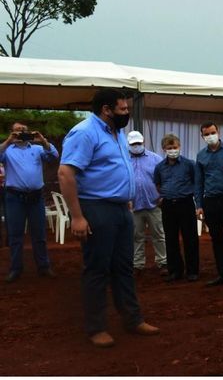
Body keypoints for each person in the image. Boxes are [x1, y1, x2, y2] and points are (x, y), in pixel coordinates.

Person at [58, 88, 158, 348]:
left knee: (123, 267)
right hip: (96, 208)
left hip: (120, 209)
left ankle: (133, 319)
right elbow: (66, 174)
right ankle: (96, 328)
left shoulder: (116, 133)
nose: (126, 113)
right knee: (97, 269)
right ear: (106, 109)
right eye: (123, 109)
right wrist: (77, 217)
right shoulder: (85, 132)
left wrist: (125, 195)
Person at [0, 122, 58, 283]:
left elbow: (54, 156)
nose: (20, 134)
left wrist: (43, 141)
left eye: (23, 131)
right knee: (15, 235)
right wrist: (8, 141)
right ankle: (15, 269)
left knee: (39, 234)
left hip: (35, 197)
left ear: (29, 133)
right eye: (17, 131)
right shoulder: (7, 152)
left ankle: (43, 266)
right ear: (12, 133)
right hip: (14, 198)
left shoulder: (38, 149)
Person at [195, 121, 223, 287]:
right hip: (210, 200)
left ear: (218, 132)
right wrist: (199, 205)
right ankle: (222, 274)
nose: (210, 136)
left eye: (212, 132)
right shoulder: (201, 156)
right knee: (216, 239)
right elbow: (198, 182)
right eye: (206, 134)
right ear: (202, 136)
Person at [154, 133, 200, 282]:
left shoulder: (189, 164)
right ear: (164, 149)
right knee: (170, 238)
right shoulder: (160, 167)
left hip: (185, 203)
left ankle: (192, 271)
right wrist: (165, 195)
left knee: (190, 238)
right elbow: (158, 184)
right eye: (169, 148)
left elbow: (196, 182)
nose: (173, 150)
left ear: (179, 147)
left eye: (175, 147)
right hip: (168, 205)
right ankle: (175, 271)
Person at [127, 130, 168, 276]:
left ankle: (163, 262)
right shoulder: (124, 159)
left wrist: (162, 196)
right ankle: (137, 264)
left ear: (143, 141)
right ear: (129, 144)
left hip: (154, 204)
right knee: (136, 236)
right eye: (133, 144)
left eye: (138, 143)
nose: (136, 146)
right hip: (134, 205)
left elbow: (165, 178)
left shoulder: (156, 159)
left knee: (159, 235)